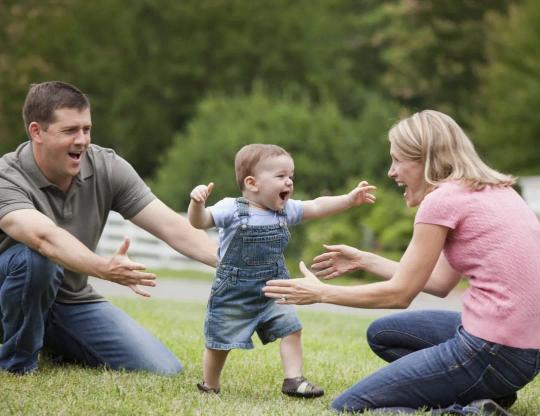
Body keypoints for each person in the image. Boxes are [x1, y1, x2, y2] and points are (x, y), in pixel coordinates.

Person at [263, 110, 540, 414]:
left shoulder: (443, 200)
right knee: (384, 334)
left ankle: (470, 411)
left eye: (398, 161)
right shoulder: (491, 191)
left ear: (426, 159)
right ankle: (490, 393)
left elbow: (400, 294)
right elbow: (438, 282)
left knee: (352, 406)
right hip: (525, 352)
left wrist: (321, 293)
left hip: (493, 351)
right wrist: (364, 259)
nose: (391, 172)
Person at [0, 81, 217, 375]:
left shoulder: (106, 166)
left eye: (86, 129)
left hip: (68, 301)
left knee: (162, 369)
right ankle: (17, 363)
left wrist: (235, 263)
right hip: (9, 295)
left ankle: (50, 340)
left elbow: (171, 226)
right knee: (35, 261)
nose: (82, 140)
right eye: (70, 131)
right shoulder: (7, 177)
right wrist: (103, 268)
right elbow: (43, 238)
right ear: (37, 131)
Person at [188, 143, 376, 397]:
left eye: (291, 176)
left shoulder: (285, 210)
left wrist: (348, 200)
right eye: (281, 176)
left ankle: (294, 379)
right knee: (219, 342)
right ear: (253, 183)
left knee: (291, 328)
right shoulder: (231, 208)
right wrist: (196, 204)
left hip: (274, 287)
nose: (289, 182)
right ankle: (210, 385)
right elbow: (199, 222)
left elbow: (317, 206)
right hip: (233, 290)